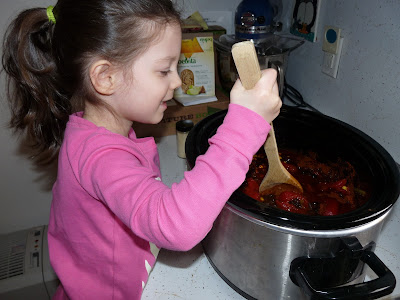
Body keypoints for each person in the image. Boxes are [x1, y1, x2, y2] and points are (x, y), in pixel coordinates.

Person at [2, 0, 281, 299]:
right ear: (106, 78)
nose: (176, 81)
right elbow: (177, 226)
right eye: (164, 70)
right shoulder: (103, 157)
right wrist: (244, 127)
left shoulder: (98, 131)